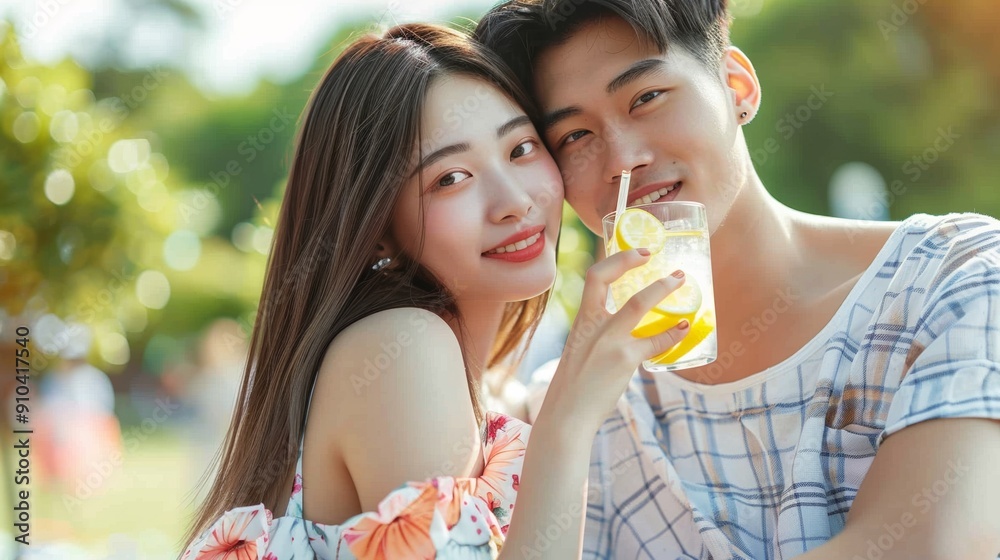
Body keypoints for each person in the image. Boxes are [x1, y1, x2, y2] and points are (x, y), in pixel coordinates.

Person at [475, 1, 1000, 558]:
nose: (622, 159)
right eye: (574, 137)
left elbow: (926, 546)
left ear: (736, 86)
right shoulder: (573, 408)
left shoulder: (953, 278)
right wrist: (564, 424)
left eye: (646, 98)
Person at [179, 23, 691, 559]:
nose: (514, 201)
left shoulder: (500, 394)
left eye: (520, 148)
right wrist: (570, 420)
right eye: (450, 178)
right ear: (377, 226)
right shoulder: (400, 348)